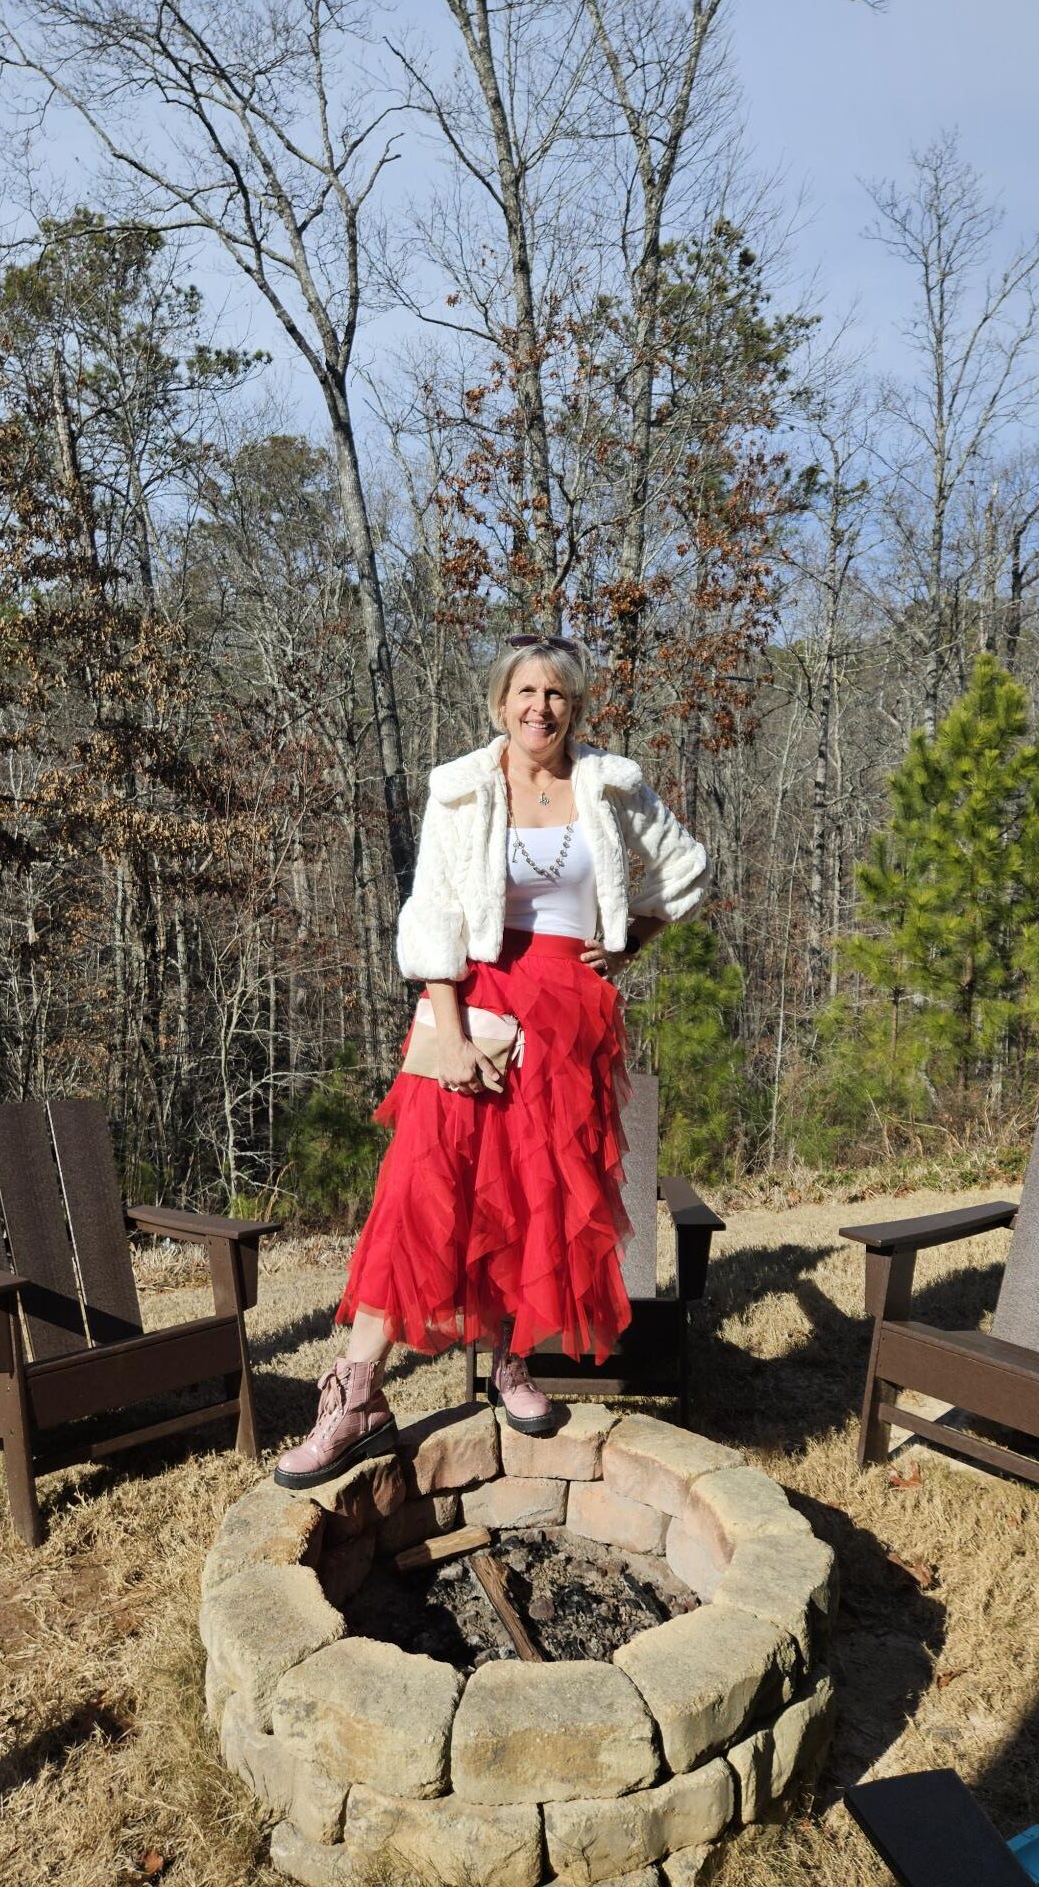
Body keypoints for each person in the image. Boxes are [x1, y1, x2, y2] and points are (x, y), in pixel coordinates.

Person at [275, 635, 709, 1489]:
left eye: (556, 695)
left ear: (574, 706)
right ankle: (355, 1396)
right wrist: (452, 1037)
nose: (540, 709)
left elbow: (686, 868)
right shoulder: (464, 788)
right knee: (421, 1190)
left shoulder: (608, 784)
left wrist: (629, 940)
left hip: (569, 1018)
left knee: (533, 1194)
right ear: (499, 703)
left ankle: (511, 1364)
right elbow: (431, 913)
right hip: (473, 1008)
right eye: (525, 693)